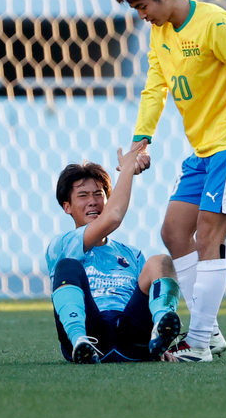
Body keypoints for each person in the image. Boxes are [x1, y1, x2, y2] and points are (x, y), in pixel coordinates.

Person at [114, 0, 226, 362]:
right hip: (203, 150)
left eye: (143, 7)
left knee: (208, 235)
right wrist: (140, 143)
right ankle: (210, 331)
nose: (143, 16)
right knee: (173, 231)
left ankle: (198, 342)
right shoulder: (160, 33)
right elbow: (155, 88)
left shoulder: (215, 25)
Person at [46, 149, 182, 363]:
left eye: (99, 194)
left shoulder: (132, 254)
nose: (92, 201)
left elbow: (142, 297)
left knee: (160, 262)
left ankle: (160, 330)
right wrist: (128, 168)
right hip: (92, 332)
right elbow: (113, 219)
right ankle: (79, 341)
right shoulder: (61, 245)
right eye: (83, 195)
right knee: (67, 266)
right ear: (67, 207)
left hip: (130, 337)